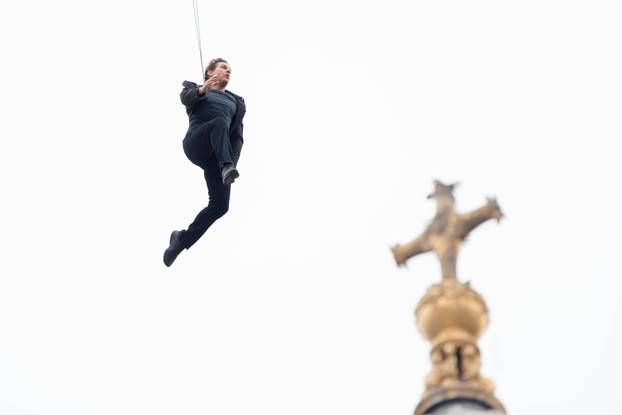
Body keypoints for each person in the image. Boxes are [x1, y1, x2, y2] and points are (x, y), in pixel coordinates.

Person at [163, 58, 246, 267]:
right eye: (223, 67)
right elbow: (186, 99)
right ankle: (226, 167)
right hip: (196, 143)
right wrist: (202, 90)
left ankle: (181, 240)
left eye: (230, 70)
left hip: (218, 157)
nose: (228, 71)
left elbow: (236, 137)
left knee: (220, 206)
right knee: (218, 123)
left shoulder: (236, 102)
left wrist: (232, 162)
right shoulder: (197, 89)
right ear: (209, 72)